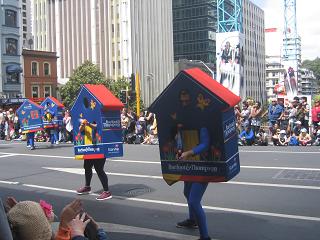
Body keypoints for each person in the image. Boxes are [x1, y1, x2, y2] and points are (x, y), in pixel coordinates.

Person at [176, 127, 211, 240]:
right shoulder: (182, 124)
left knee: (194, 200)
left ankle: (205, 237)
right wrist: (180, 151)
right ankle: (192, 220)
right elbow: (181, 143)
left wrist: (188, 153)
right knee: (187, 192)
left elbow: (205, 144)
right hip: (189, 164)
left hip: (202, 165)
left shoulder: (201, 122)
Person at [76, 119, 112, 201]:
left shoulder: (97, 116)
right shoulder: (85, 118)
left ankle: (107, 192)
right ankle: (87, 187)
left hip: (99, 147)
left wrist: (88, 123)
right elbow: (80, 130)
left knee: (99, 169)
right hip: (89, 148)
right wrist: (82, 125)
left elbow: (98, 126)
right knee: (87, 167)